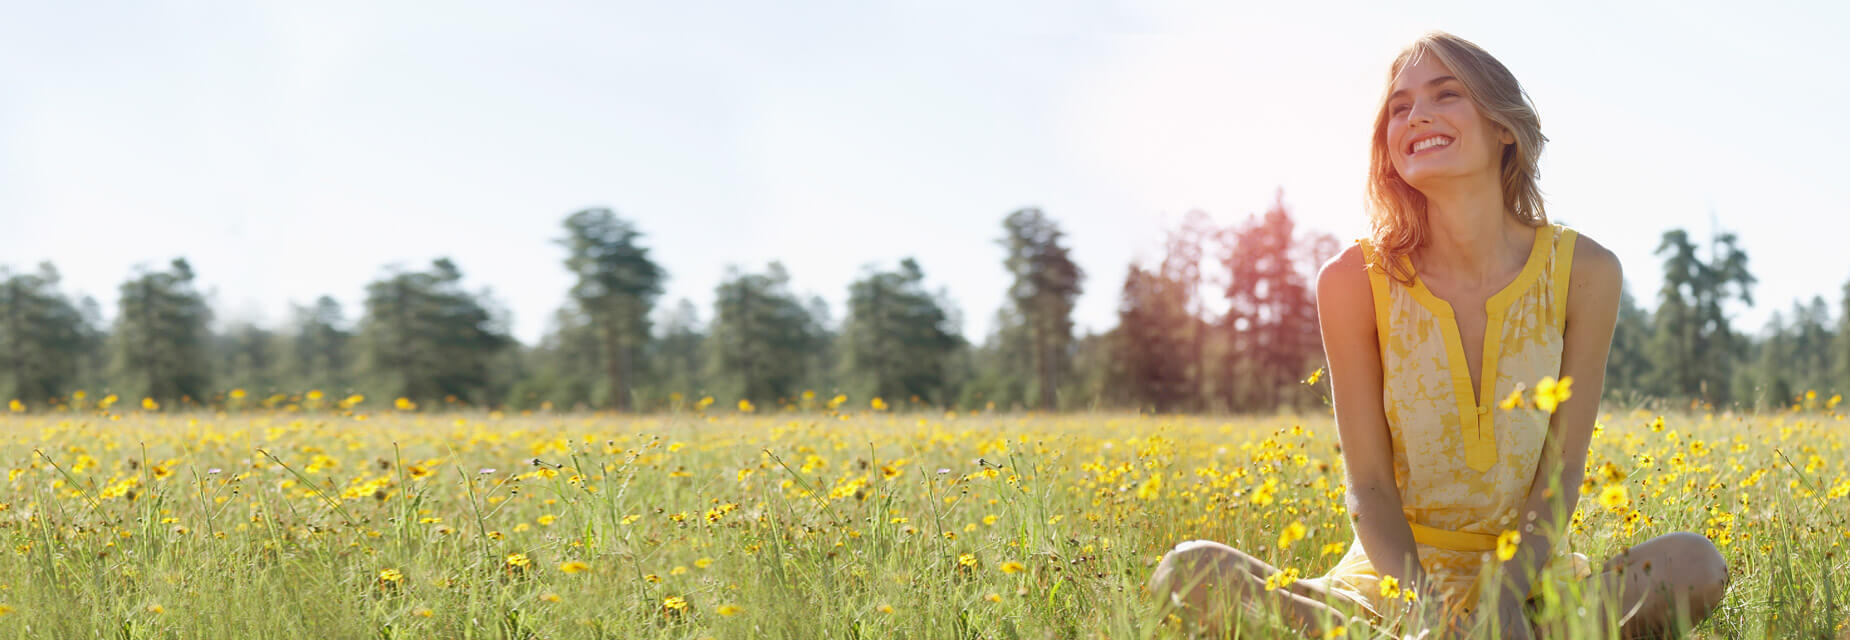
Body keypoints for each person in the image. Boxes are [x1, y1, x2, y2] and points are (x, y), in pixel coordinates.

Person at [1146, 31, 1730, 639]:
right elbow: (1368, 484)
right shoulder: (1352, 280)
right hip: (1390, 591)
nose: (1416, 115)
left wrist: (1504, 600)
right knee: (1188, 572)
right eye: (1400, 107)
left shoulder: (1586, 272)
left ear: (1504, 126)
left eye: (1445, 95)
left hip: (1532, 585)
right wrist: (1427, 610)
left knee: (1694, 562)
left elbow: (1560, 473)